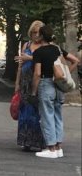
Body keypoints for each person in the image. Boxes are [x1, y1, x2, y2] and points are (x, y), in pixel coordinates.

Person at [30, 24, 78, 159]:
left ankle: (50, 148)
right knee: (58, 115)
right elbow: (74, 61)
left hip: (46, 84)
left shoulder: (38, 53)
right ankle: (58, 148)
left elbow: (37, 74)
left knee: (47, 116)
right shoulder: (57, 49)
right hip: (58, 86)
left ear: (40, 36)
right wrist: (65, 75)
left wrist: (33, 91)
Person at [14, 21, 46, 151]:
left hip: (38, 81)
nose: (36, 35)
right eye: (33, 32)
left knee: (37, 112)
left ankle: (38, 142)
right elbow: (20, 65)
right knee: (24, 112)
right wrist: (17, 83)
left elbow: (47, 61)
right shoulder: (26, 45)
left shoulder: (45, 46)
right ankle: (25, 141)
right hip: (25, 82)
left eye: (38, 32)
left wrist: (30, 58)